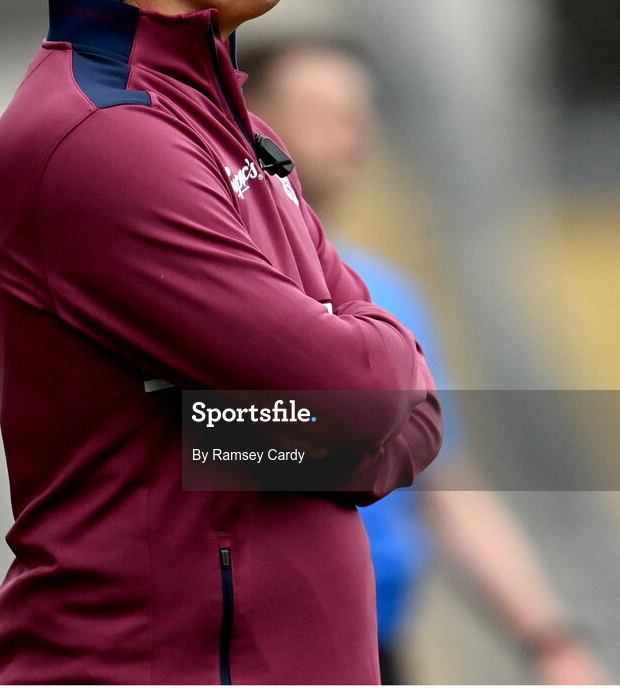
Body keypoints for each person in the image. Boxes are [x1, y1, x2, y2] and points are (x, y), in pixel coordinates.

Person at [0, 0, 442, 685]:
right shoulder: (99, 138)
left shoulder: (220, 117)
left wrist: (214, 429)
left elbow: (414, 416)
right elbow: (362, 403)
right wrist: (328, 421)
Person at [243, 36, 610, 686]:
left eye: (360, 112)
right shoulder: (219, 285)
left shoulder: (390, 293)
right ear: (255, 123)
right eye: (324, 111)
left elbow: (446, 488)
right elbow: (210, 445)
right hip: (256, 656)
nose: (353, 133)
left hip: (378, 648)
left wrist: (549, 641)